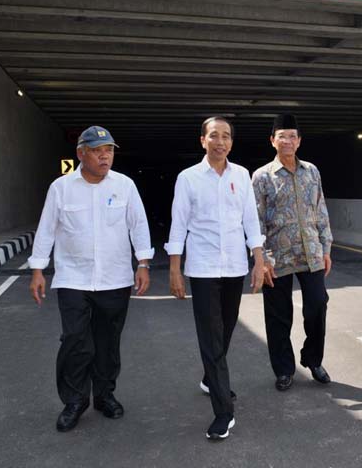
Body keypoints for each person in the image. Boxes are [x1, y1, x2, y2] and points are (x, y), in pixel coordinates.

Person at [28, 125, 153, 432]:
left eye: (108, 150)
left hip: (115, 278)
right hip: (73, 278)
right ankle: (74, 400)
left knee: (108, 343)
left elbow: (138, 225)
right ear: (81, 153)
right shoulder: (61, 188)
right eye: (97, 151)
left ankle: (105, 395)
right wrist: (37, 271)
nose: (104, 156)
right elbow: (46, 229)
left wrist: (144, 263)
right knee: (75, 341)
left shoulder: (124, 186)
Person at [166, 117, 267, 441]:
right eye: (214, 136)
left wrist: (258, 262)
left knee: (224, 330)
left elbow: (251, 221)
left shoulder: (241, 175)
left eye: (225, 137)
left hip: (235, 266)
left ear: (231, 143)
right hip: (204, 268)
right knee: (210, 337)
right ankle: (224, 412)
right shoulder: (189, 178)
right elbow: (178, 224)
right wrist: (174, 269)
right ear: (202, 140)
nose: (220, 142)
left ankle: (210, 380)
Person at [252, 114, 333, 392]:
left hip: (311, 252)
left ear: (299, 141)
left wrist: (326, 246)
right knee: (278, 315)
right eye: (282, 136)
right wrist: (260, 260)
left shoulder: (312, 171)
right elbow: (256, 220)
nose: (288, 141)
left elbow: (320, 210)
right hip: (277, 256)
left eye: (292, 136)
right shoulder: (262, 176)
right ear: (273, 140)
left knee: (317, 303)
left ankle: (313, 359)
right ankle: (284, 370)